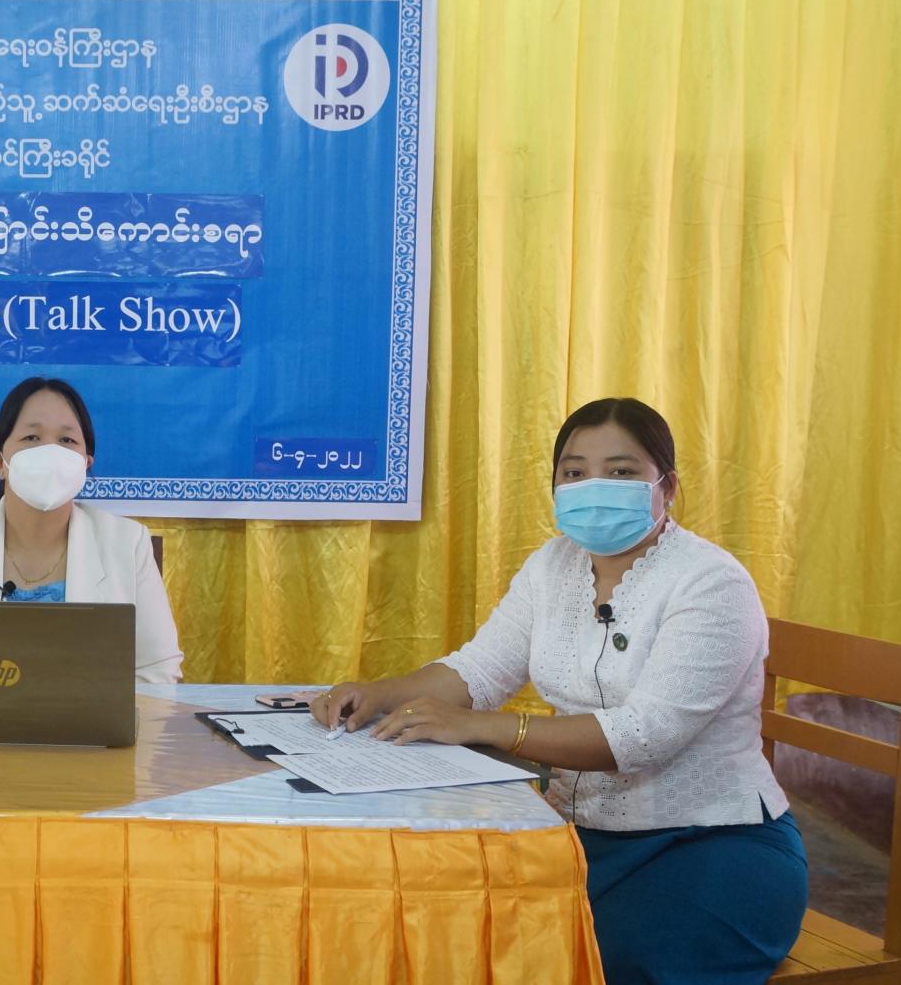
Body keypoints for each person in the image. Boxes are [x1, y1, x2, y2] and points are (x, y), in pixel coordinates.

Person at [311, 397, 807, 984]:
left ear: (667, 487)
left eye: (621, 472)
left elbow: (643, 736)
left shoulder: (712, 584)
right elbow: (479, 671)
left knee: (575, 964)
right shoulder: (553, 565)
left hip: (710, 846)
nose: (594, 487)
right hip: (576, 838)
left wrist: (483, 727)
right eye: (574, 472)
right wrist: (382, 694)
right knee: (448, 930)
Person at [0, 376, 183, 683]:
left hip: (88, 716)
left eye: (67, 440)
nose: (50, 452)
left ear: (86, 463)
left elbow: (157, 671)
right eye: (32, 437)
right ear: (0, 463)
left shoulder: (128, 543)